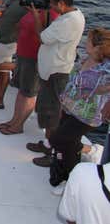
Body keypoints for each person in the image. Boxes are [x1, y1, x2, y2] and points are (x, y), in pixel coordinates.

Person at [48, 28, 110, 193]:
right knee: (67, 144)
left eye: (88, 41)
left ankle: (72, 182)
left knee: (57, 140)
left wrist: (104, 93)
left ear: (98, 47)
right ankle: (68, 174)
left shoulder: (106, 69)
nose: (85, 43)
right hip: (69, 107)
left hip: (87, 114)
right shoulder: (85, 58)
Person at [30, 0, 86, 167]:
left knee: (52, 113)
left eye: (52, 3)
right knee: (48, 111)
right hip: (54, 70)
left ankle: (52, 152)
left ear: (61, 4)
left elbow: (43, 37)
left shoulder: (67, 21)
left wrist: (36, 15)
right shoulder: (74, 15)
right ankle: (48, 144)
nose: (50, 6)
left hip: (56, 72)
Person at [0, 0, 58, 135]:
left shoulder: (51, 14)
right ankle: (14, 120)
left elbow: (45, 36)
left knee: (29, 93)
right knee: (21, 90)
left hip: (34, 57)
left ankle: (19, 125)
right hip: (23, 54)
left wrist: (37, 14)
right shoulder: (33, 10)